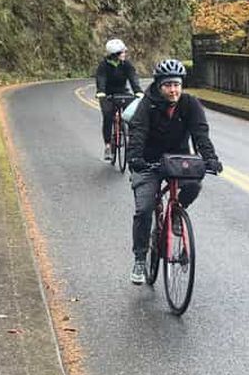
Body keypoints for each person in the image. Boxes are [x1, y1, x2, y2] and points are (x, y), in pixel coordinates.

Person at [126, 59, 223, 284]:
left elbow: (201, 135)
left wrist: (211, 159)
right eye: (168, 85)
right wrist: (135, 159)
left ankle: (177, 214)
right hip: (148, 162)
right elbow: (138, 133)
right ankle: (140, 259)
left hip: (178, 160)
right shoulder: (147, 104)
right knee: (144, 209)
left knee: (194, 184)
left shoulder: (190, 104)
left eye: (177, 84)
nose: (173, 90)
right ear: (159, 86)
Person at [95, 38, 143, 161]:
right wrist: (101, 92)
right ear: (115, 54)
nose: (124, 54)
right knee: (108, 115)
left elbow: (133, 77)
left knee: (133, 114)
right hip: (107, 94)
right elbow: (101, 79)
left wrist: (137, 91)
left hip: (123, 93)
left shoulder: (126, 64)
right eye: (122, 52)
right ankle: (107, 146)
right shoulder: (103, 66)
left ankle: (132, 142)